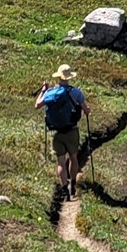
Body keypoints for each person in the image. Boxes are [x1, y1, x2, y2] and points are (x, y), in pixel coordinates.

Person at [33, 64, 89, 195]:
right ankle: (73, 184)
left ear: (58, 77)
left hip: (56, 132)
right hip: (71, 130)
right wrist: (86, 111)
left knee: (60, 162)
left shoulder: (49, 92)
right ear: (69, 77)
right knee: (73, 158)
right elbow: (86, 110)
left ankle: (64, 187)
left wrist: (43, 90)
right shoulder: (75, 92)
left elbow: (37, 105)